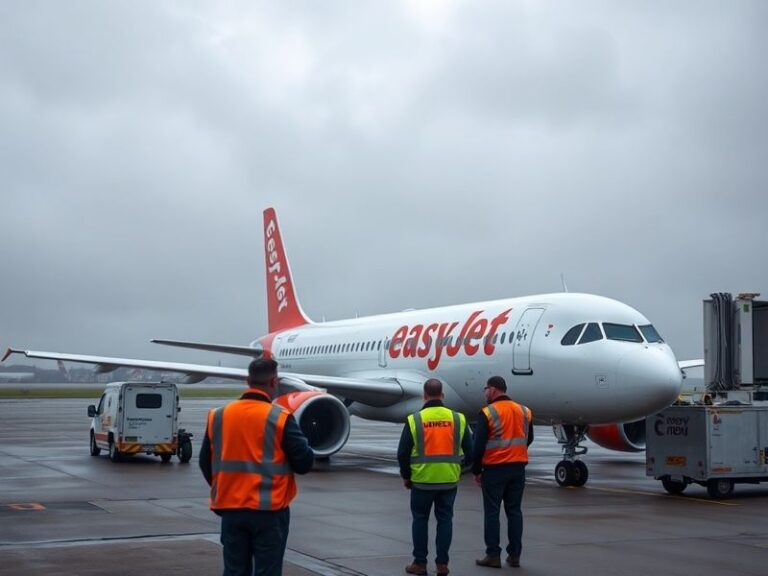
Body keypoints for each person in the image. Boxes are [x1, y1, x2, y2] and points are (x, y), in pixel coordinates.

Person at [199, 357, 314, 576]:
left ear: (247, 381)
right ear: (274, 382)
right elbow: (304, 464)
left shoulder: (219, 415)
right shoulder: (280, 418)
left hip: (231, 509)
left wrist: (226, 488)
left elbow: (205, 462)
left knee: (234, 571)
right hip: (269, 512)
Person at [397, 378, 473, 576]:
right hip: (448, 481)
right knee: (445, 521)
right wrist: (458, 467)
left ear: (424, 395)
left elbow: (402, 453)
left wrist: (406, 476)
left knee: (420, 520)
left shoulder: (414, 419)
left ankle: (420, 563)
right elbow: (471, 451)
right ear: (442, 395)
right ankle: (442, 564)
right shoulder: (458, 418)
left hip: (422, 481)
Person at [473, 375, 534, 569]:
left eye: (486, 389)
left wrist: (476, 469)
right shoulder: (524, 411)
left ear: (493, 389)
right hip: (518, 468)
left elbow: (478, 444)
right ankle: (515, 555)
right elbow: (529, 438)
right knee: (514, 511)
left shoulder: (488, 412)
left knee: (492, 512)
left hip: (495, 469)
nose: (485, 393)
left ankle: (493, 555)